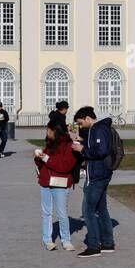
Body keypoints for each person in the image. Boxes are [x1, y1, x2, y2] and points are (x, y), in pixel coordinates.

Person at [71, 106, 116, 257]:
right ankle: (108, 243)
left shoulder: (98, 129)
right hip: (101, 174)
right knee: (101, 209)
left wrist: (82, 149)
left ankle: (94, 245)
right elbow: (98, 147)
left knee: (88, 211)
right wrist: (84, 142)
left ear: (88, 119)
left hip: (96, 175)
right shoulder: (97, 129)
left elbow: (101, 151)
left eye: (80, 123)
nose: (80, 126)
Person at [34, 119, 78, 251]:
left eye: (49, 130)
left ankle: (66, 240)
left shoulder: (69, 146)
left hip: (60, 182)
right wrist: (38, 158)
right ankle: (47, 240)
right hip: (45, 181)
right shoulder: (49, 144)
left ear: (55, 131)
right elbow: (44, 164)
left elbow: (65, 166)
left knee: (62, 213)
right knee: (46, 213)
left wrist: (46, 158)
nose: (47, 133)